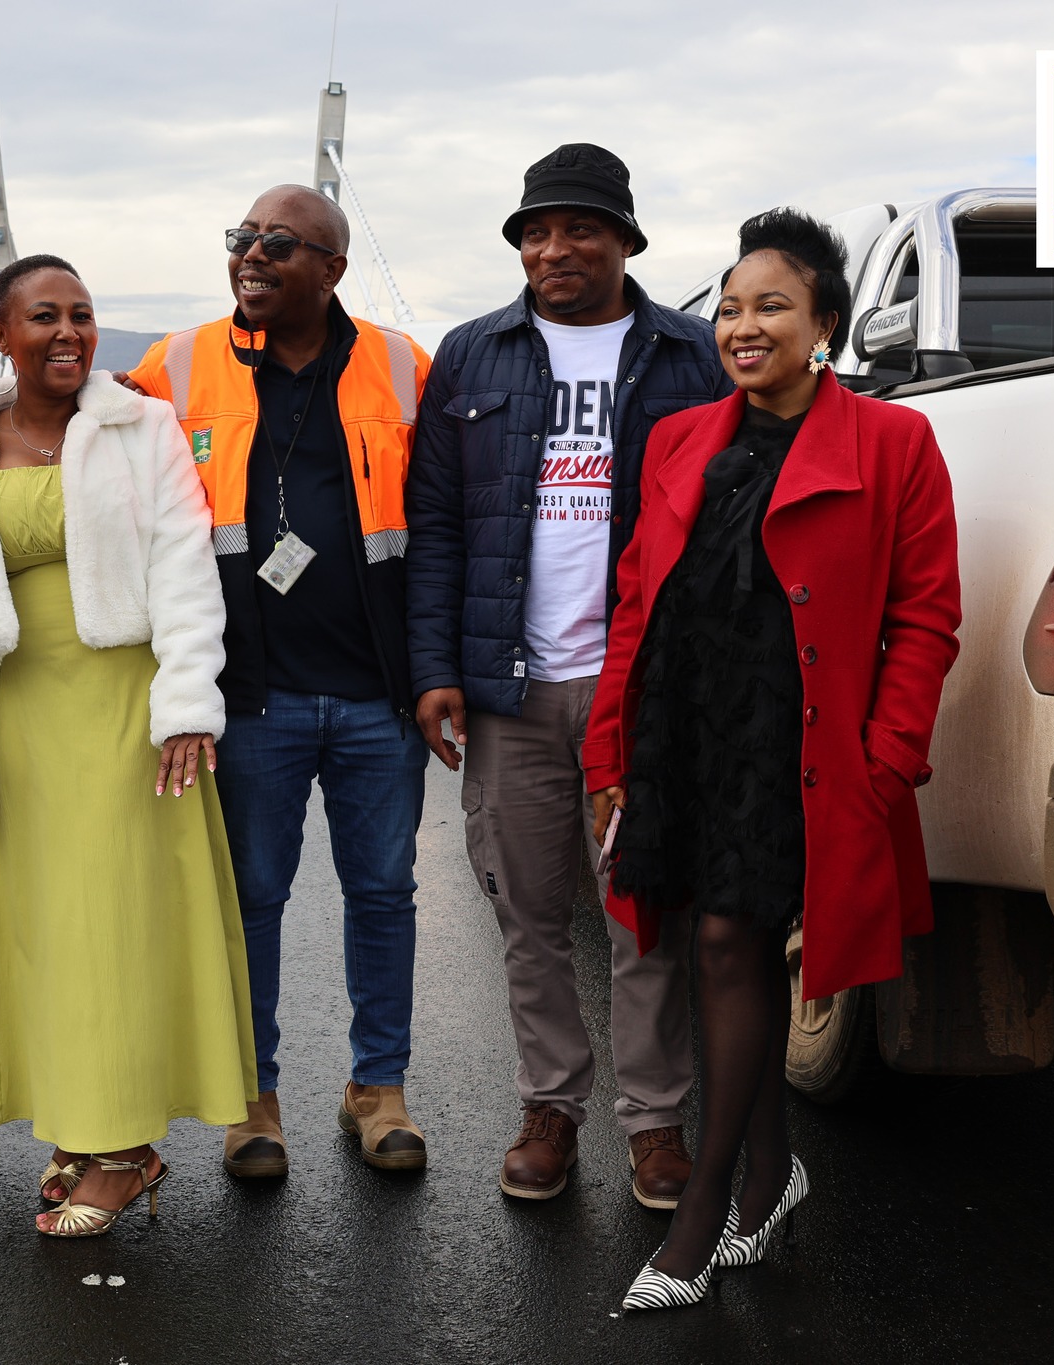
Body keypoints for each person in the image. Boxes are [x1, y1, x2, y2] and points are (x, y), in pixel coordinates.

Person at [585, 209, 961, 1310]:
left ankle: (701, 1216)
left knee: (723, 942)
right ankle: (766, 1178)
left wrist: (884, 760)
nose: (741, 328)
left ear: (824, 328)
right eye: (729, 309)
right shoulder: (678, 439)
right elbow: (636, 603)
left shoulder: (892, 445)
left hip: (792, 746)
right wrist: (608, 743)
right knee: (712, 957)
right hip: (680, 734)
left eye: (771, 308)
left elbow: (925, 619)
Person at [405, 144, 732, 1207]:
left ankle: (653, 1124)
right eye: (534, 231)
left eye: (578, 229)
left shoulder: (691, 357)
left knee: (644, 913)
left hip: (639, 690)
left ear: (624, 241)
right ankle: (550, 1108)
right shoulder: (469, 356)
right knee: (529, 913)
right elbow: (437, 526)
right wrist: (435, 669)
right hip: (511, 686)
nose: (553, 249)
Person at [0, 254, 257, 1238]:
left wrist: (187, 700)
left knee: (112, 920)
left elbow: (186, 567)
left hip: (123, 706)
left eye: (81, 315)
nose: (66, 333)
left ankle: (123, 1148)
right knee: (48, 925)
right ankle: (78, 1128)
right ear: (3, 332)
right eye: (42, 317)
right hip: (18, 716)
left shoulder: (138, 426)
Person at [124, 186, 433, 1178]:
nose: (251, 256)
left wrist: (437, 671)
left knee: (382, 893)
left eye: (277, 245)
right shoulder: (172, 364)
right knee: (250, 900)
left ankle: (374, 1090)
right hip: (247, 697)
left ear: (332, 269)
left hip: (374, 694)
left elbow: (445, 522)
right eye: (241, 240)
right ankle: (250, 1100)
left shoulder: (400, 365)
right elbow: (79, 450)